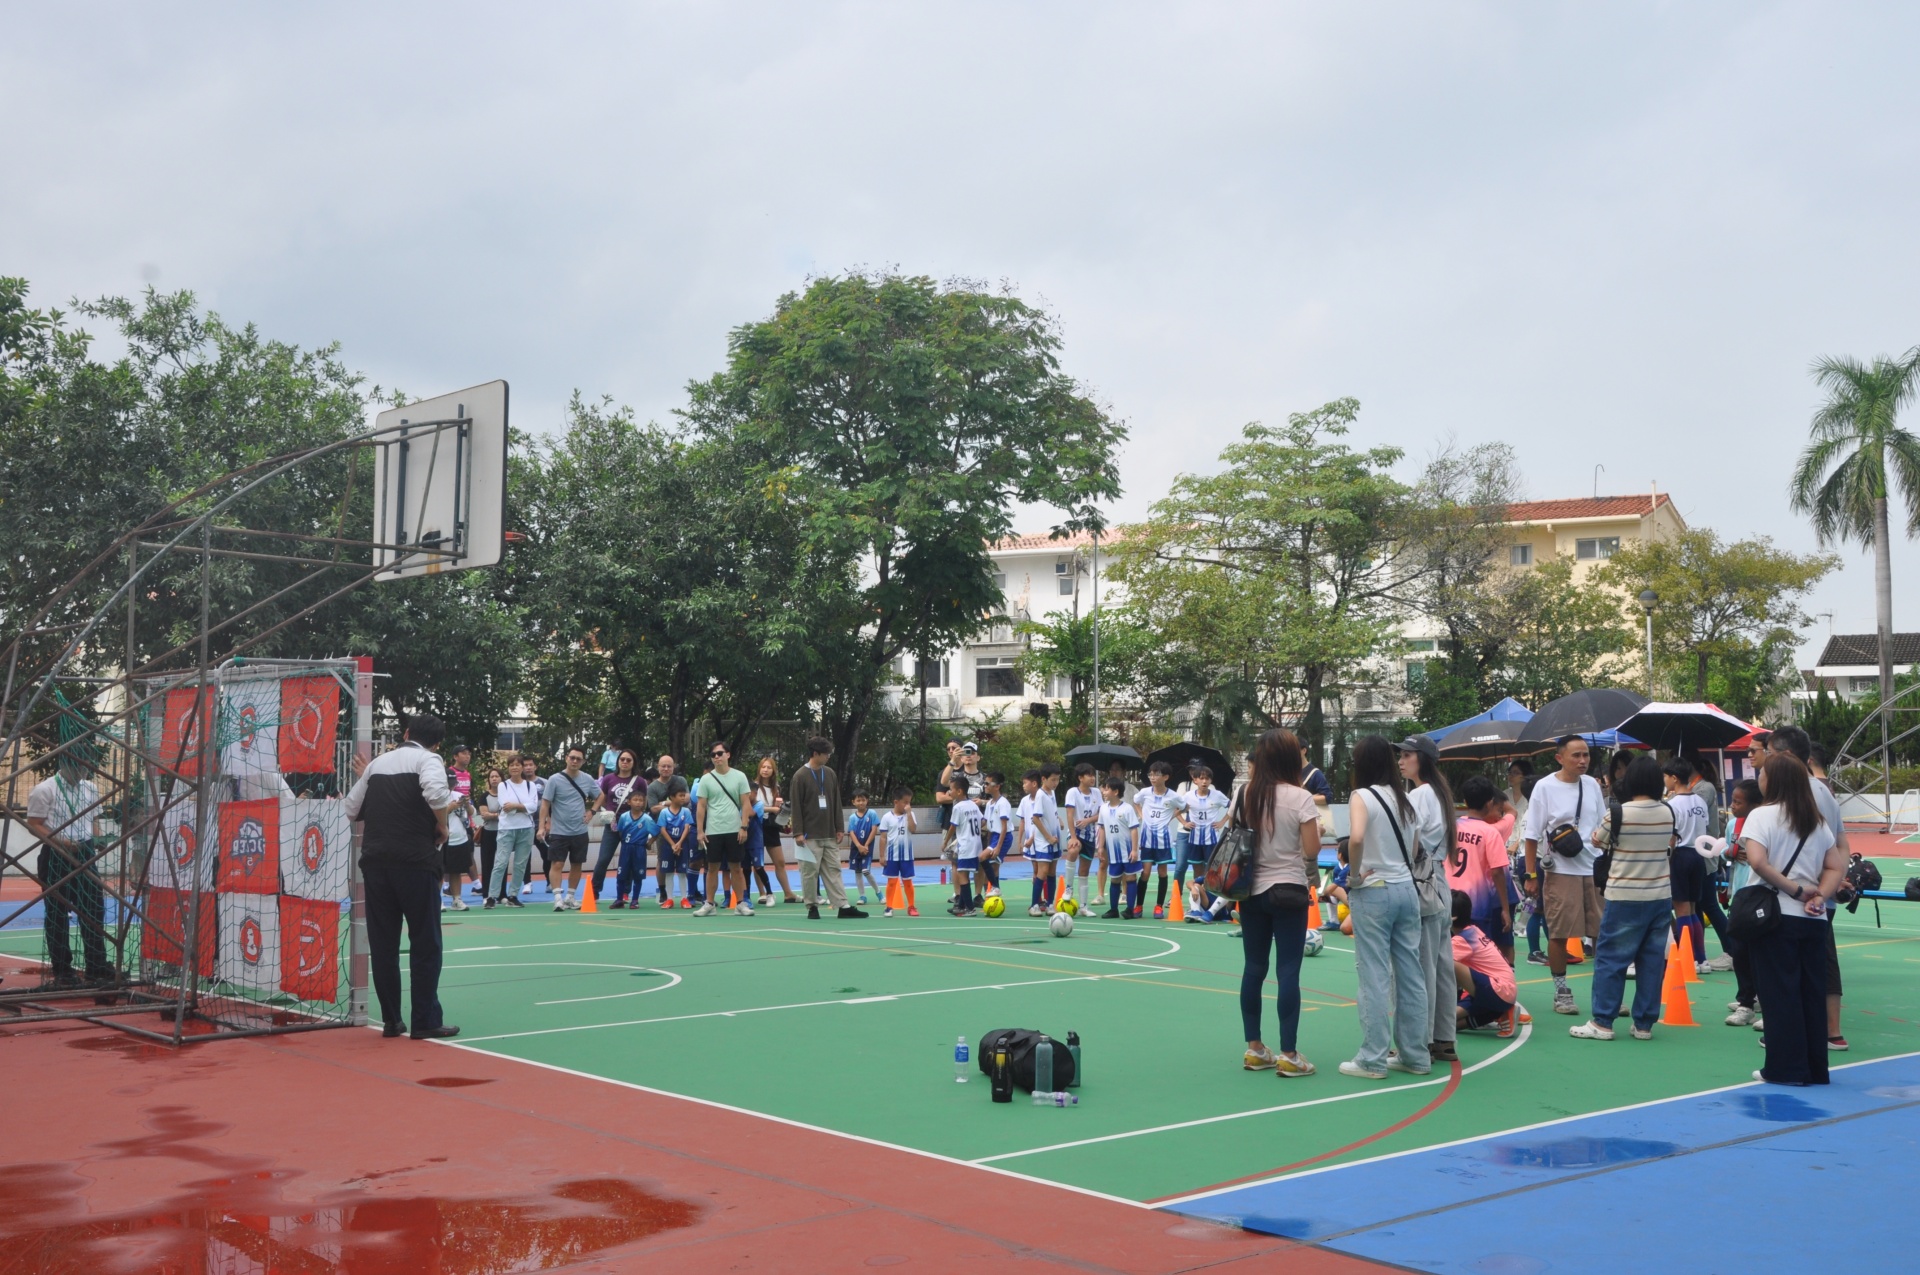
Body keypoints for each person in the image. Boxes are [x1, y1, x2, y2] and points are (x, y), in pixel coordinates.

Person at [342, 712, 459, 1039]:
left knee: (383, 944)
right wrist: (442, 825)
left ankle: (392, 1020)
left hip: (376, 862)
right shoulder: (428, 759)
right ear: (438, 743)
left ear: (406, 733)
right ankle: (425, 1020)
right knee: (425, 942)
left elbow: (350, 809)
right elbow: (436, 794)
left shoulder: (377, 765)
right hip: (415, 862)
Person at [1743, 752, 1845, 1086]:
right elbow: (1835, 866)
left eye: (1762, 773)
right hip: (1813, 920)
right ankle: (1815, 1068)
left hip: (1776, 916)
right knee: (1811, 993)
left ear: (1771, 780)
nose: (1759, 777)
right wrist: (1819, 896)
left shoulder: (1762, 815)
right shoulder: (1815, 819)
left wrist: (1796, 890)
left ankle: (1784, 1069)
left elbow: (1757, 862)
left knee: (1779, 994)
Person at [1342, 735, 1430, 1079]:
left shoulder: (1361, 796)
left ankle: (1372, 1058)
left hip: (1373, 890)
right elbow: (1415, 848)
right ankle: (1415, 1055)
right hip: (1406, 889)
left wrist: (1354, 876)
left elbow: (1356, 838)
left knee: (1374, 975)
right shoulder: (1404, 798)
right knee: (1410, 974)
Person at [1569, 756, 1674, 1042]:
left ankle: (1603, 1021)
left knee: (1611, 960)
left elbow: (1598, 840)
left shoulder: (1618, 812)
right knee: (1651, 961)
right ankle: (1644, 1024)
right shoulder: (1667, 812)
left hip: (1625, 895)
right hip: (1660, 895)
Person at [1235, 729, 1321, 1078]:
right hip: (1288, 889)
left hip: (1250, 890)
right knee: (1288, 971)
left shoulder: (1245, 793)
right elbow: (1312, 850)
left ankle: (1255, 1048)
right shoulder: (1300, 797)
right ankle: (1289, 1054)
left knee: (1253, 967)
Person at [1765, 725, 1852, 1053]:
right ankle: (1830, 1030)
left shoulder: (1796, 793)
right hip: (1819, 896)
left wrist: (1813, 890)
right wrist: (1830, 887)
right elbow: (1841, 845)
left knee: (1790, 968)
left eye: (1769, 754)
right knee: (1823, 961)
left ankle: (1798, 1033)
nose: (1764, 762)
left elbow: (1762, 857)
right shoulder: (1822, 790)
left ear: (1786, 756)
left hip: (1797, 897)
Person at [1523, 736, 1606, 1016]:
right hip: (1560, 870)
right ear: (1559, 758)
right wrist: (1531, 874)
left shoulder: (1592, 785)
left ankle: (1605, 993)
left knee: (1601, 933)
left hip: (1594, 869)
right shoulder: (1545, 787)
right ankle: (1561, 992)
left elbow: (1603, 824)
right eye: (1576, 755)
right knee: (1559, 933)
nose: (1583, 761)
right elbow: (1532, 835)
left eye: (1586, 755)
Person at [1395, 734, 1459, 1064]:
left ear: (1422, 759)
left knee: (1422, 966)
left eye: (1407, 755)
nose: (1401, 760)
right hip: (1438, 880)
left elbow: (1410, 843)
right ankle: (1444, 1039)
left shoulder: (1419, 795)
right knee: (1441, 964)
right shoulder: (1439, 793)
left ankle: (1422, 1040)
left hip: (1422, 880)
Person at [24, 756, 113, 986]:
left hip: (85, 853)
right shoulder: (45, 789)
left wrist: (98, 838)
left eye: (85, 768)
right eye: (77, 767)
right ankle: (63, 969)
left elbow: (93, 819)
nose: (82, 772)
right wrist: (62, 842)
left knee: (94, 909)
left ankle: (96, 965)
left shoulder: (90, 788)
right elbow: (34, 824)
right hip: (56, 855)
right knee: (57, 913)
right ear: (64, 765)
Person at [788, 736, 864, 920]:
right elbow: (796, 806)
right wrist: (798, 832)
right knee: (809, 872)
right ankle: (812, 906)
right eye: (826, 753)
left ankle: (842, 905)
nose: (829, 756)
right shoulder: (799, 776)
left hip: (829, 833)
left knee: (834, 869)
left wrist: (839, 827)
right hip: (809, 835)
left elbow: (836, 801)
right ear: (815, 754)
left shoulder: (829, 773)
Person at [1453, 776, 1515, 964]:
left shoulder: (1452, 826)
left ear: (1465, 802)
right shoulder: (1490, 832)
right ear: (1490, 803)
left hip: (1451, 898)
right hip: (1477, 903)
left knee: (1453, 949)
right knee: (1480, 951)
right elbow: (1497, 871)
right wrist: (1505, 909)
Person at [1662, 759, 1713, 975]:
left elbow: (1672, 838)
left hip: (1681, 856)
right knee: (1692, 908)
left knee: (1681, 908)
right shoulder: (1699, 801)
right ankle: (1701, 959)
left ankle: (1688, 957)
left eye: (1665, 777)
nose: (1664, 781)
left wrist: (1666, 860)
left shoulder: (1672, 804)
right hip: (1698, 855)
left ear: (1674, 778)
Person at [694, 742, 756, 917]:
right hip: (713, 830)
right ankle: (709, 903)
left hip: (734, 829)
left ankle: (741, 903)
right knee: (711, 868)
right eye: (713, 755)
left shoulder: (739, 776)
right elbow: (701, 806)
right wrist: (700, 831)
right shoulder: (706, 779)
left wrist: (744, 827)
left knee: (736, 867)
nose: (716, 757)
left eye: (720, 753)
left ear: (728, 754)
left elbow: (745, 804)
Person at [1721, 778, 1764, 1025]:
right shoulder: (1733, 825)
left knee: (1759, 953)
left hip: (1760, 897)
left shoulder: (1766, 825)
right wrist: (1730, 853)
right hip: (1739, 895)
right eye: (1733, 801)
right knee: (1739, 952)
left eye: (1738, 802)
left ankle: (1760, 999)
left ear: (1755, 805)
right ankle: (1746, 1001)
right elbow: (1725, 851)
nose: (1733, 806)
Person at [538, 748, 601, 911]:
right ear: (566, 758)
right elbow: (545, 803)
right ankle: (558, 898)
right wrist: (541, 827)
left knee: (577, 863)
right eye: (572, 758)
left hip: (580, 830)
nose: (574, 761)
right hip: (559, 831)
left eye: (578, 759)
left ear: (583, 762)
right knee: (557, 863)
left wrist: (592, 812)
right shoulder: (554, 779)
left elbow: (600, 796)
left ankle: (570, 897)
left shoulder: (587, 779)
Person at [1452, 890, 1516, 1038]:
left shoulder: (1461, 940)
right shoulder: (1474, 930)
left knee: (1448, 963)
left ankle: (1502, 1009)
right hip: (1503, 994)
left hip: (1498, 991)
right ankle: (1503, 1012)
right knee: (1445, 1027)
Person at [591, 750, 645, 905]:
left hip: (631, 826)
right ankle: (594, 890)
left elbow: (643, 802)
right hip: (612, 825)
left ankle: (625, 892)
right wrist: (608, 811)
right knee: (603, 858)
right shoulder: (609, 778)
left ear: (633, 763)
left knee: (629, 860)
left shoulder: (639, 781)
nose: (625, 762)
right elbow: (602, 797)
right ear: (618, 761)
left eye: (628, 760)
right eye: (622, 759)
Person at [1134, 760, 1186, 919]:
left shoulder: (1173, 796)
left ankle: (1158, 906)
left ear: (1166, 777)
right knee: (1145, 872)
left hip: (1163, 840)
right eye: (1151, 774)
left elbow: (1184, 806)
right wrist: (1142, 815)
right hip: (1147, 839)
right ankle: (1139, 906)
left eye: (1156, 774)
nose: (1152, 777)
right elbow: (1136, 802)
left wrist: (1172, 817)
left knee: (1162, 872)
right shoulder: (1144, 792)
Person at [485, 756, 538, 909]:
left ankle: (513, 895)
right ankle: (492, 896)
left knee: (520, 864)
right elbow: (505, 806)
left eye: (517, 765)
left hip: (526, 828)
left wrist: (516, 806)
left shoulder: (530, 785)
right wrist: (523, 807)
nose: (515, 767)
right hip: (506, 828)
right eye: (511, 765)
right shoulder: (503, 785)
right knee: (500, 863)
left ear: (522, 767)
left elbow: (533, 807)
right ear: (508, 768)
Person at [1177, 766, 1228, 921]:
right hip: (1194, 839)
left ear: (1211, 780)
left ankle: (1213, 902)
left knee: (1213, 872)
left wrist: (1222, 822)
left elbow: (1232, 807)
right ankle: (1198, 903)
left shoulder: (1217, 795)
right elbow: (1176, 810)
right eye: (1201, 778)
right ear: (1195, 780)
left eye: (1207, 778)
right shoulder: (1188, 796)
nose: (1204, 781)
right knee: (1197, 872)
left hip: (1211, 839)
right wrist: (1184, 823)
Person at [750, 756, 801, 906]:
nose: (765, 770)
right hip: (757, 825)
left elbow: (776, 808)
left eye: (769, 767)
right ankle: (762, 894)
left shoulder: (775, 787)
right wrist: (772, 809)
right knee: (758, 863)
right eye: (763, 767)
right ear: (759, 769)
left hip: (771, 826)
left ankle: (788, 893)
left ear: (773, 771)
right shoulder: (753, 786)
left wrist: (780, 808)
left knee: (780, 861)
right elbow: (752, 806)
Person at [1095, 775, 1142, 919]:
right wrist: (1100, 847)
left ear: (1115, 792)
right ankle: (1113, 909)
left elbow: (1134, 829)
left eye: (1106, 789)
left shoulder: (1127, 808)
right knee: (1115, 879)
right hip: (1113, 852)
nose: (1103, 791)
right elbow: (1102, 828)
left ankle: (1130, 909)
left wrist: (1134, 850)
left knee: (1130, 877)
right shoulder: (1103, 809)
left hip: (1127, 851)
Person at [1017, 770, 1056, 916]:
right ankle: (1036, 903)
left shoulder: (1051, 794)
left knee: (1050, 871)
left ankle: (1049, 903)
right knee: (1040, 871)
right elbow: (1033, 819)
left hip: (1050, 838)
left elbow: (1051, 815)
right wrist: (1022, 840)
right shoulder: (1034, 797)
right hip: (1041, 840)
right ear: (1043, 779)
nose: (1056, 783)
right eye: (1053, 780)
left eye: (1057, 779)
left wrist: (1058, 821)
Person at [1063, 763, 1100, 912]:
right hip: (1076, 832)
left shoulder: (1096, 793)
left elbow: (1101, 814)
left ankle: (1084, 906)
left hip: (1090, 834)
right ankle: (1068, 888)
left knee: (1084, 870)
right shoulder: (1073, 792)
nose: (1092, 778)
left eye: (1093, 775)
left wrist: (1088, 820)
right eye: (1089, 775)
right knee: (1073, 850)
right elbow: (1069, 815)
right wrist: (1073, 837)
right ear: (1080, 778)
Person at [947, 775, 985, 917]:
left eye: (951, 789)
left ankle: (970, 908)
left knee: (962, 876)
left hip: (966, 846)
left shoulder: (958, 807)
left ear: (959, 791)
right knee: (965, 874)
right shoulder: (973, 805)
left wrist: (945, 842)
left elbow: (952, 826)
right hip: (976, 845)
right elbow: (982, 821)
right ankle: (961, 905)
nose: (949, 792)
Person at [612, 789, 657, 908]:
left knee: (638, 876)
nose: (638, 802)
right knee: (621, 875)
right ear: (629, 802)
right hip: (626, 848)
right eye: (635, 800)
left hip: (639, 849)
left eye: (641, 800)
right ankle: (619, 900)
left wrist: (649, 842)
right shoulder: (624, 817)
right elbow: (620, 831)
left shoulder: (647, 819)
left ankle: (635, 900)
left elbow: (656, 832)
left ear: (644, 803)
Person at [878, 788, 919, 917]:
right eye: (905, 802)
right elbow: (883, 838)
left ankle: (911, 906)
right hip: (892, 856)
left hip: (907, 856)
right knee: (891, 882)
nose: (908, 805)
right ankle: (889, 907)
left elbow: (913, 829)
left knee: (908, 882)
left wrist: (909, 814)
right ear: (896, 802)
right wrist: (881, 855)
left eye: (909, 802)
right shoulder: (887, 817)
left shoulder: (910, 815)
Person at [656, 788, 695, 907]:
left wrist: (679, 843)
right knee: (668, 872)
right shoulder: (664, 812)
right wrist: (672, 844)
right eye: (680, 795)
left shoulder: (686, 811)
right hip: (667, 845)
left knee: (682, 872)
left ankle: (684, 898)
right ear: (672, 797)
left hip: (682, 844)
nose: (683, 798)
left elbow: (687, 828)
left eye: (684, 795)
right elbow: (662, 829)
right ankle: (669, 899)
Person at [982, 772, 1015, 902]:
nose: (985, 786)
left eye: (987, 783)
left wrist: (998, 847)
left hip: (1003, 837)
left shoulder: (1003, 803)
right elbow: (986, 823)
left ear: (997, 786)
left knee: (982, 858)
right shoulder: (990, 803)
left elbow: (1004, 827)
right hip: (994, 837)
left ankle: (995, 887)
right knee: (993, 866)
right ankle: (993, 894)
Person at [846, 791, 882, 904]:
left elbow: (874, 829)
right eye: (858, 800)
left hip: (867, 848)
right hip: (856, 848)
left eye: (863, 800)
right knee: (857, 872)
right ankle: (862, 896)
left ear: (867, 801)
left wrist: (865, 845)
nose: (861, 802)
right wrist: (858, 846)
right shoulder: (852, 817)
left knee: (865, 870)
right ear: (853, 802)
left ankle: (879, 893)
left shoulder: (871, 813)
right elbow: (851, 832)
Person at [476, 766, 502, 899]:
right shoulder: (484, 796)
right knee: (487, 864)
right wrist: (498, 815)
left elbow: (508, 814)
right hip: (488, 833)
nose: (494, 779)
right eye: (492, 777)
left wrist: (493, 815)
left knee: (501, 863)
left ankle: (502, 894)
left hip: (503, 833)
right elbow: (484, 815)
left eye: (497, 776)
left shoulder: (506, 795)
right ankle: (486, 894)